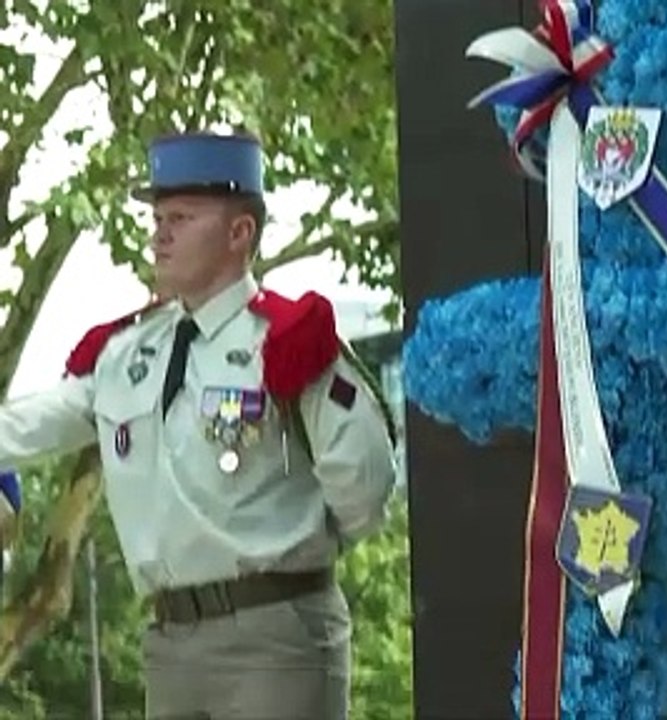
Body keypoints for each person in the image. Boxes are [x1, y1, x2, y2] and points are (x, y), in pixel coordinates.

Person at [0, 131, 398, 719]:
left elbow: (365, 484)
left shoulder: (287, 344)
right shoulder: (129, 351)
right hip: (171, 638)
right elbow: (33, 423)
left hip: (275, 631)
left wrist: (293, 541)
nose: (159, 233)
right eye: (158, 216)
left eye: (181, 218)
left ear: (241, 233)